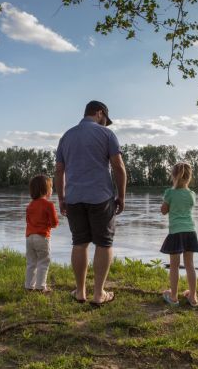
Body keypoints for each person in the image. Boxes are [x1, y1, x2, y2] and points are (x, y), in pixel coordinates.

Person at [55, 100, 126, 306]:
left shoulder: (66, 136)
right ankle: (98, 294)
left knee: (79, 243)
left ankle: (80, 292)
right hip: (100, 197)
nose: (106, 124)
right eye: (105, 119)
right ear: (99, 113)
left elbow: (59, 170)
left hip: (74, 198)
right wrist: (121, 195)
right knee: (104, 243)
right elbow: (118, 167)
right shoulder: (106, 134)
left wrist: (61, 198)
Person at [160, 162, 198, 307]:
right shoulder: (192, 194)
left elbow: (164, 211)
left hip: (176, 232)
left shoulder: (169, 193)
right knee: (190, 265)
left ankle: (174, 297)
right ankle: (193, 298)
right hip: (190, 231)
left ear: (173, 176)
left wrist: (167, 202)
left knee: (174, 266)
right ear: (189, 177)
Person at [25, 174, 59, 293]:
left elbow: (28, 221)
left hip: (29, 237)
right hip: (42, 236)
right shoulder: (49, 205)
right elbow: (55, 223)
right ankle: (41, 287)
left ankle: (29, 286)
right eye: (51, 188)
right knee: (43, 261)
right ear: (45, 190)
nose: (52, 190)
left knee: (31, 262)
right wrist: (49, 224)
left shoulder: (30, 205)